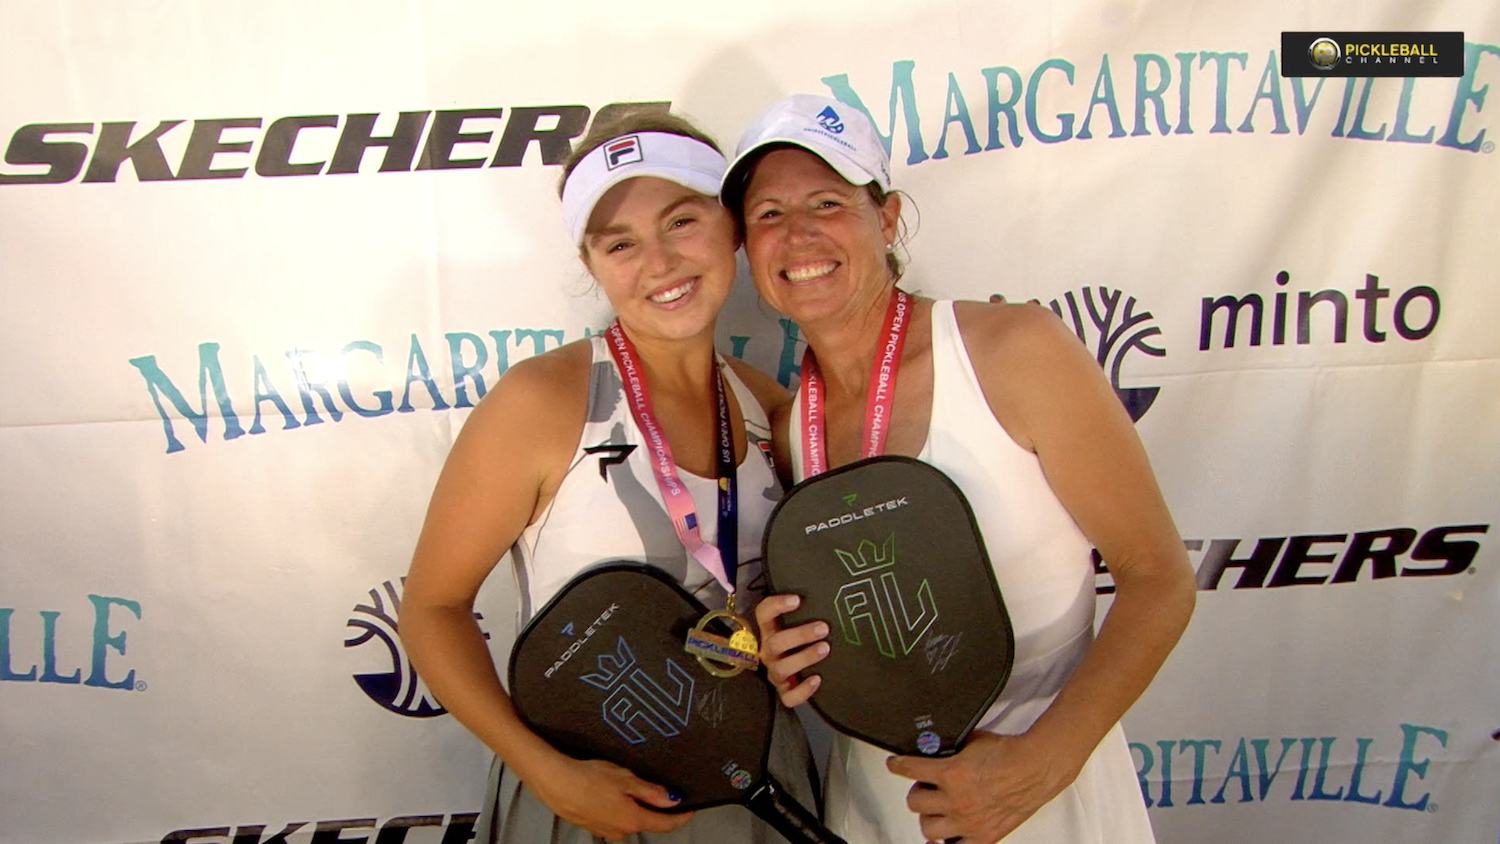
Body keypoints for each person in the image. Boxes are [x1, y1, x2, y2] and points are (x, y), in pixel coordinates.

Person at [720, 94, 1197, 844]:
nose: (800, 234)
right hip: (876, 808)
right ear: (748, 251)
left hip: (1043, 802)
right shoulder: (788, 425)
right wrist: (786, 657)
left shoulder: (1013, 351)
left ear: (887, 217)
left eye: (827, 201)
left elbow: (1159, 575)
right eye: (769, 215)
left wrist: (1045, 763)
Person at [400, 112, 815, 844]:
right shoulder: (543, 402)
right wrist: (546, 772)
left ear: (730, 229)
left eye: (682, 221)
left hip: (755, 788)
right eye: (620, 243)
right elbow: (432, 610)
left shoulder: (771, 408)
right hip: (590, 798)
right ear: (591, 264)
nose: (658, 262)